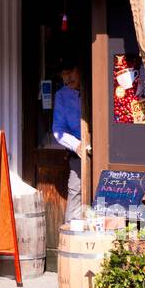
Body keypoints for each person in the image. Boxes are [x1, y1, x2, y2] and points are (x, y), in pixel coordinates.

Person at [52, 62, 89, 224]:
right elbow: (58, 128)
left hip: (103, 149)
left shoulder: (95, 87)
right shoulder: (62, 95)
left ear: (80, 69)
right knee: (75, 192)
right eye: (63, 74)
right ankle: (70, 237)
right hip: (78, 152)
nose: (67, 78)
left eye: (70, 71)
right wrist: (76, 145)